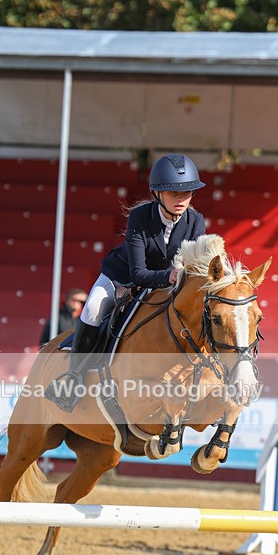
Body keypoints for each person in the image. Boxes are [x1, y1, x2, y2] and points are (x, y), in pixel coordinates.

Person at [45, 153, 206, 412]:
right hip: (122, 277)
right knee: (93, 308)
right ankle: (73, 379)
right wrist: (169, 276)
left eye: (187, 193)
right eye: (174, 193)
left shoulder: (195, 221)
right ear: (157, 193)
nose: (181, 199)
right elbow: (139, 273)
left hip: (165, 286)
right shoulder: (140, 217)